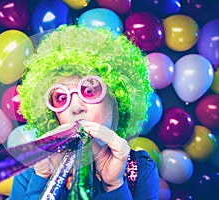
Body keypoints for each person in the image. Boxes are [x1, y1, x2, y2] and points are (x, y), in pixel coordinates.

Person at [9, 25, 159, 199]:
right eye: (61, 98)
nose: (75, 108)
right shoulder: (31, 172)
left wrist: (114, 185)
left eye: (89, 91)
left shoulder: (141, 171)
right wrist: (43, 179)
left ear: (117, 99)